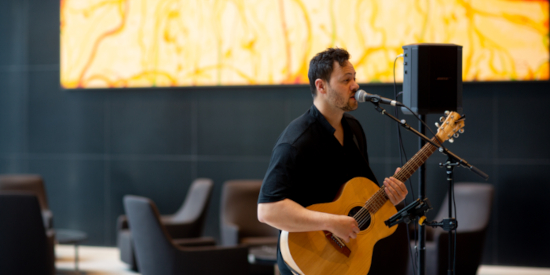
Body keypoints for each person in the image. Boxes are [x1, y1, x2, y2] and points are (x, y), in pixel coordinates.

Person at [257, 47, 408, 274]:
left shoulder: (354, 130)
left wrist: (393, 197)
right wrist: (330, 222)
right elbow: (267, 211)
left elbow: (363, 198)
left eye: (354, 78)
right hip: (307, 260)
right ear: (321, 86)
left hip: (347, 256)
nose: (355, 86)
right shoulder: (296, 141)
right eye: (346, 80)